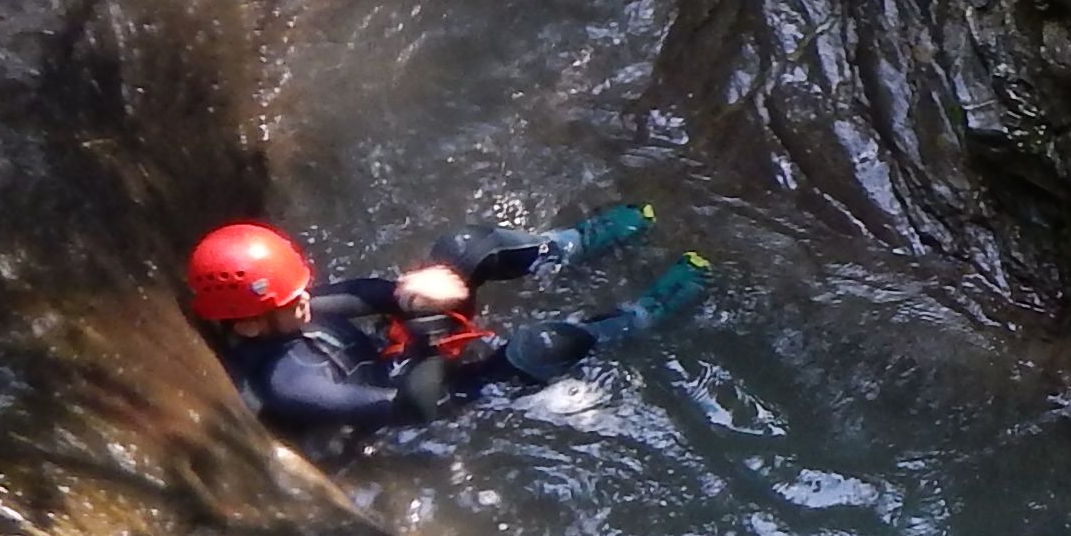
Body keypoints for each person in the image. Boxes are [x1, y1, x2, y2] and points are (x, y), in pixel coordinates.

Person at [184, 207, 706, 434]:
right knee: (548, 343)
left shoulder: (274, 316)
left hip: (401, 352)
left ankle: (566, 245)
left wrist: (409, 296)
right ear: (250, 325)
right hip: (429, 393)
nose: (305, 300)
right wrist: (430, 336)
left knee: (462, 249)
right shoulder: (289, 383)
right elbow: (414, 409)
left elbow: (360, 296)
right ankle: (638, 317)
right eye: (291, 299)